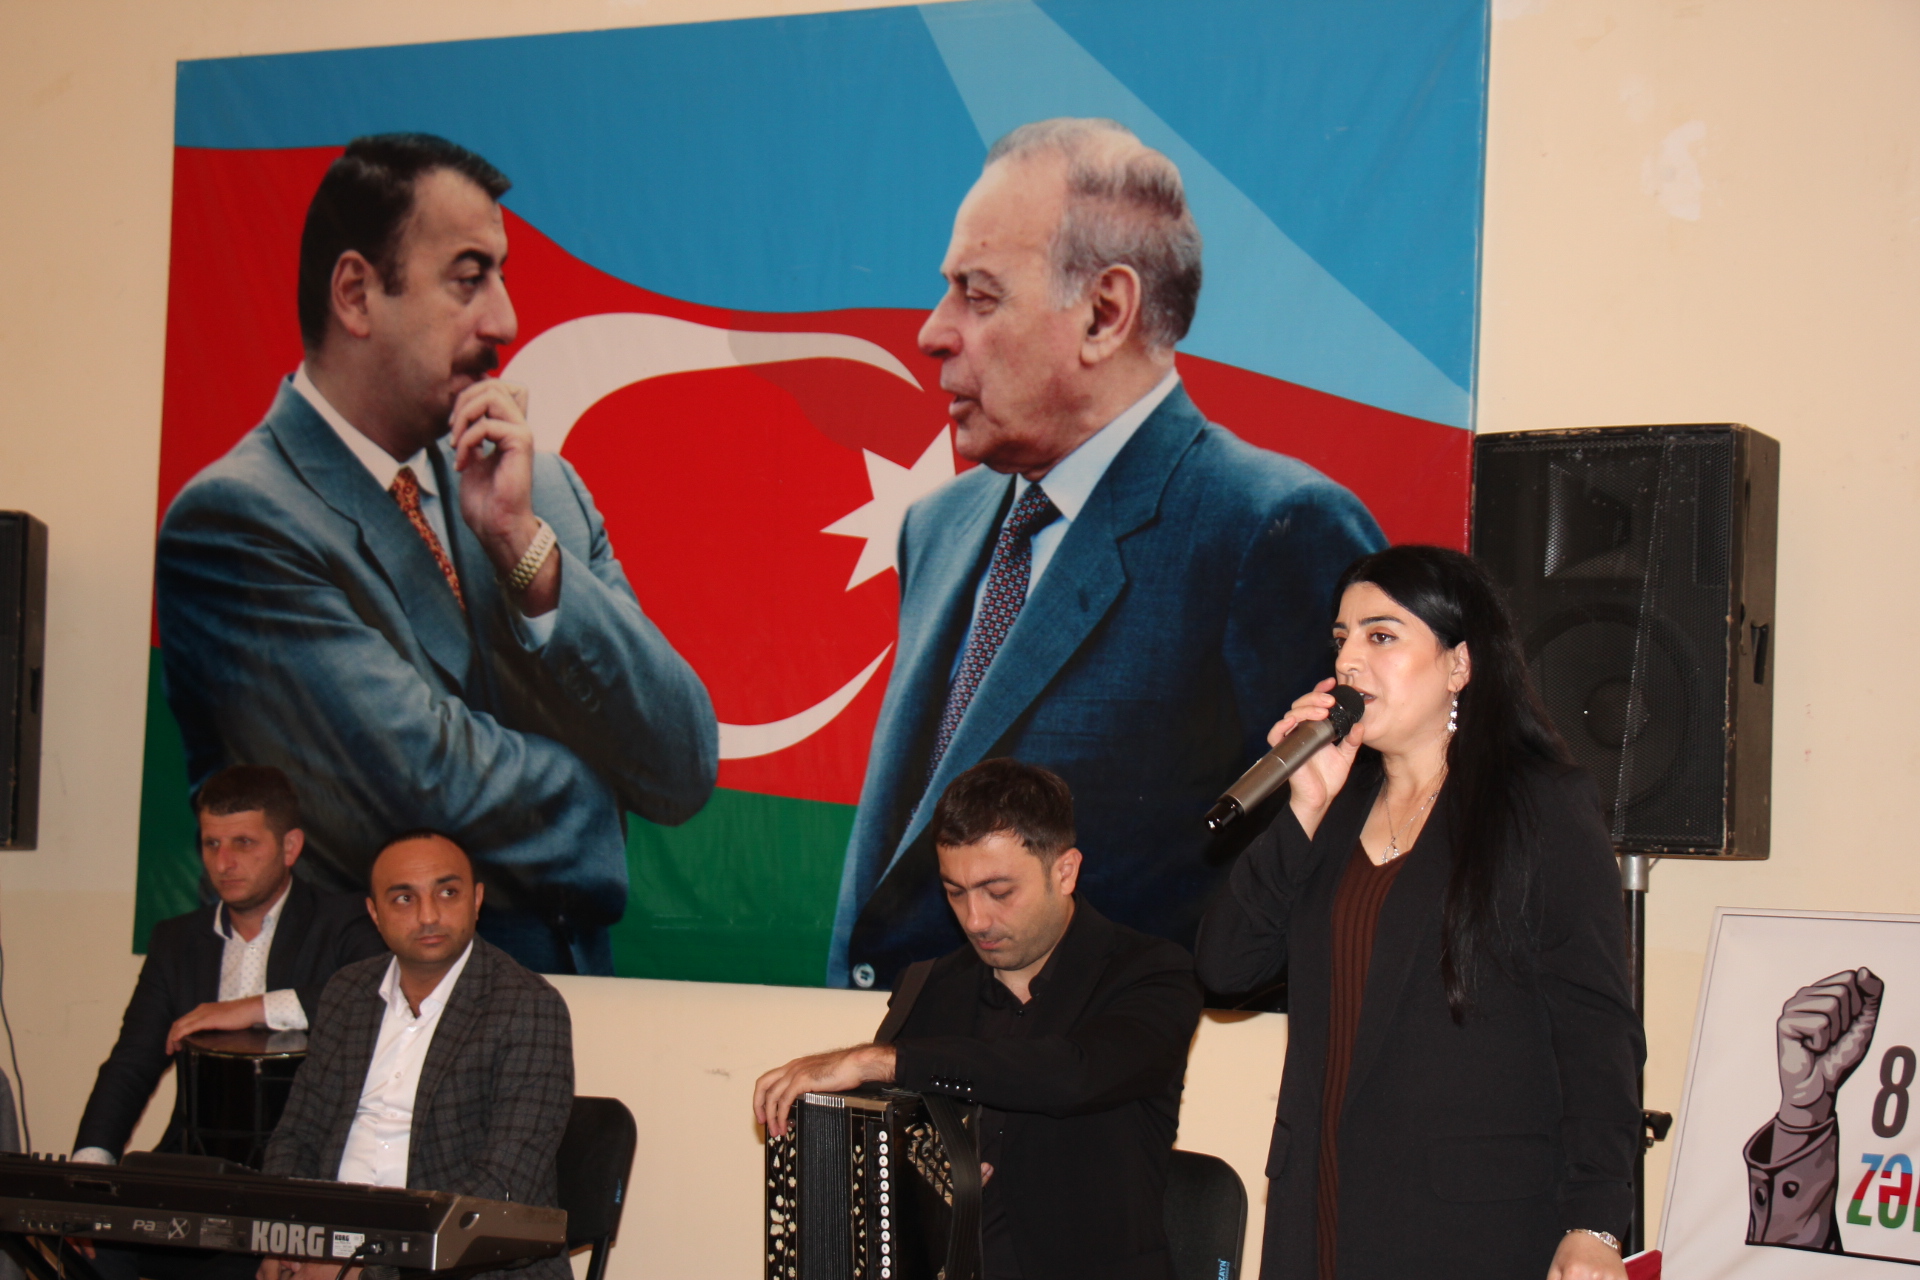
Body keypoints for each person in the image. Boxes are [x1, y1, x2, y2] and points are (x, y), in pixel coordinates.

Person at [829, 117, 1383, 990]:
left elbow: (1337, 883)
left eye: (978, 295)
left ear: (1104, 313)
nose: (934, 332)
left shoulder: (1273, 530)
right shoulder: (936, 527)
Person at [155, 133, 718, 977]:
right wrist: (605, 788)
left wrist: (525, 553)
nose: (505, 321)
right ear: (356, 294)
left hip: (567, 1020)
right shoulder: (237, 522)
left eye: (501, 276)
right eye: (467, 278)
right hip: (358, 1040)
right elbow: (422, 793)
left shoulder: (541, 491)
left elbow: (680, 763)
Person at [1194, 545, 1644, 1280]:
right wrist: (1304, 807)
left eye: (1382, 636)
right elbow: (1226, 968)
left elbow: (1597, 1032)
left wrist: (1596, 1220)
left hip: (1468, 1224)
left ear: (1459, 665)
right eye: (1341, 638)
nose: (1349, 661)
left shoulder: (1538, 808)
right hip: (1318, 1211)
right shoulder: (1335, 811)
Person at [758, 758, 1202, 1280]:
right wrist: (927, 1183)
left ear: (1064, 871)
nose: (975, 919)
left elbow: (1072, 1073)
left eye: (999, 892)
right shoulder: (929, 986)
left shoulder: (1153, 973)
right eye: (955, 892)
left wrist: (882, 1060)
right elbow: (890, 1155)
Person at [72, 766, 386, 1280]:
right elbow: (131, 1063)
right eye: (211, 843)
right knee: (93, 1249)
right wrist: (88, 1170)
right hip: (196, 1170)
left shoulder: (343, 921)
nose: (224, 862)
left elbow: (377, 996)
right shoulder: (177, 941)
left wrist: (254, 1007)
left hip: (301, 1177)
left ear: (290, 847)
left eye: (244, 843)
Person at [259, 830, 573, 1280]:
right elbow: (297, 1137)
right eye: (404, 899)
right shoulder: (348, 992)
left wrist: (364, 1271)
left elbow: (501, 1188)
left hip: (463, 1263)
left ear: (476, 900)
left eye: (447, 893)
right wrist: (286, 1239)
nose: (428, 916)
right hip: (329, 1244)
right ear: (375, 914)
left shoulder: (527, 1006)